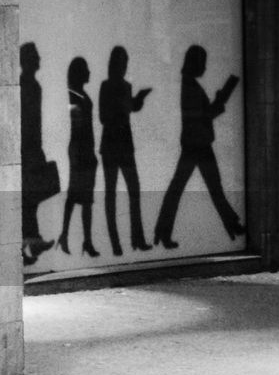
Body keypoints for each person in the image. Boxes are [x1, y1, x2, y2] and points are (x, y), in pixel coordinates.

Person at [153, 45, 245, 248]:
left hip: (195, 143)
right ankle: (231, 225)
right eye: (202, 63)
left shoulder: (189, 85)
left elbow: (199, 116)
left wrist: (216, 104)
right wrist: (219, 103)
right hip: (198, 144)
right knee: (209, 188)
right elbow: (202, 117)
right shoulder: (191, 87)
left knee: (193, 187)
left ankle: (163, 230)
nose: (204, 67)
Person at [98, 47, 152, 256]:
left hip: (122, 145)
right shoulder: (107, 86)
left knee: (133, 191)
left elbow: (130, 109)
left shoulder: (124, 86)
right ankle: (115, 243)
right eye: (122, 62)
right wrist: (127, 104)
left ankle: (136, 239)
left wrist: (137, 99)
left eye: (125, 63)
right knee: (112, 193)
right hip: (112, 145)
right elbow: (104, 116)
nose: (123, 67)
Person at [58, 56, 100, 257]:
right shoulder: (75, 96)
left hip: (81, 149)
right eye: (86, 69)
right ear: (80, 73)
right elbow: (79, 127)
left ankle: (71, 237)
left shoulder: (77, 94)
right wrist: (84, 154)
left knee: (78, 196)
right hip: (81, 149)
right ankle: (83, 241)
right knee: (82, 197)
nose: (90, 72)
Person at [19, 42, 55, 265]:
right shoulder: (27, 85)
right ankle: (31, 243)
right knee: (27, 201)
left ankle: (31, 244)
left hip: (32, 149)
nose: (40, 59)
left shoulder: (33, 85)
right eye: (36, 56)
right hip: (28, 150)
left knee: (29, 201)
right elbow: (28, 123)